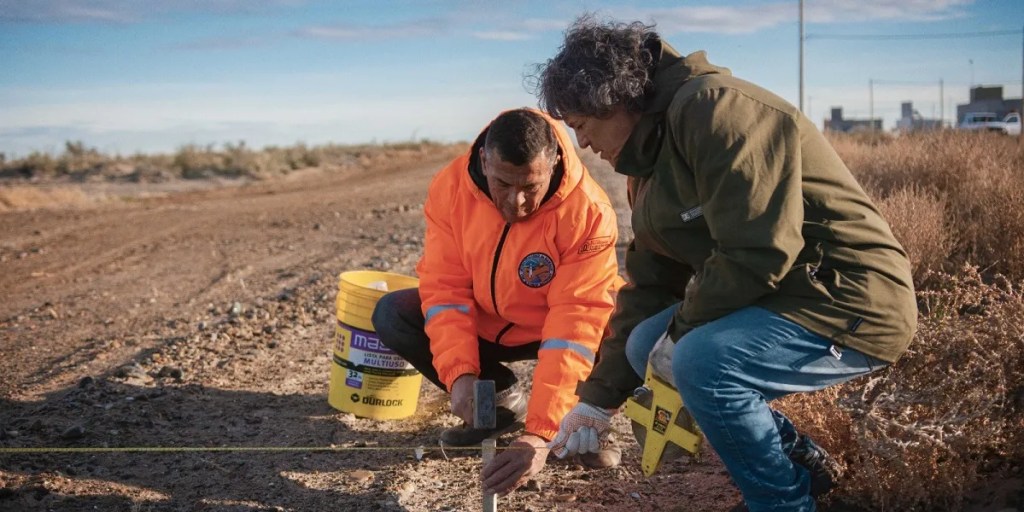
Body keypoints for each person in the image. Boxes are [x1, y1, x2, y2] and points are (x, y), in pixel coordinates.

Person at [534, 16, 918, 512]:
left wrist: (681, 334)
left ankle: (780, 503)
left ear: (616, 101)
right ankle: (797, 460)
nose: (582, 144)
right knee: (644, 343)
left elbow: (757, 251)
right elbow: (651, 284)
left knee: (701, 363)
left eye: (582, 126)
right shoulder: (648, 161)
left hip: (849, 296)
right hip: (784, 292)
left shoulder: (716, 110)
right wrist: (596, 402)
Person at [371, 108, 624, 495]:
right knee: (394, 313)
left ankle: (581, 427)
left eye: (531, 187)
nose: (517, 201)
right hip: (486, 322)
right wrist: (460, 376)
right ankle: (501, 401)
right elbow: (446, 290)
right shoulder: (451, 188)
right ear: (485, 161)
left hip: (549, 325)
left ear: (554, 161)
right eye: (503, 183)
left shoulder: (587, 212)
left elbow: (575, 324)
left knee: (620, 320)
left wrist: (540, 434)